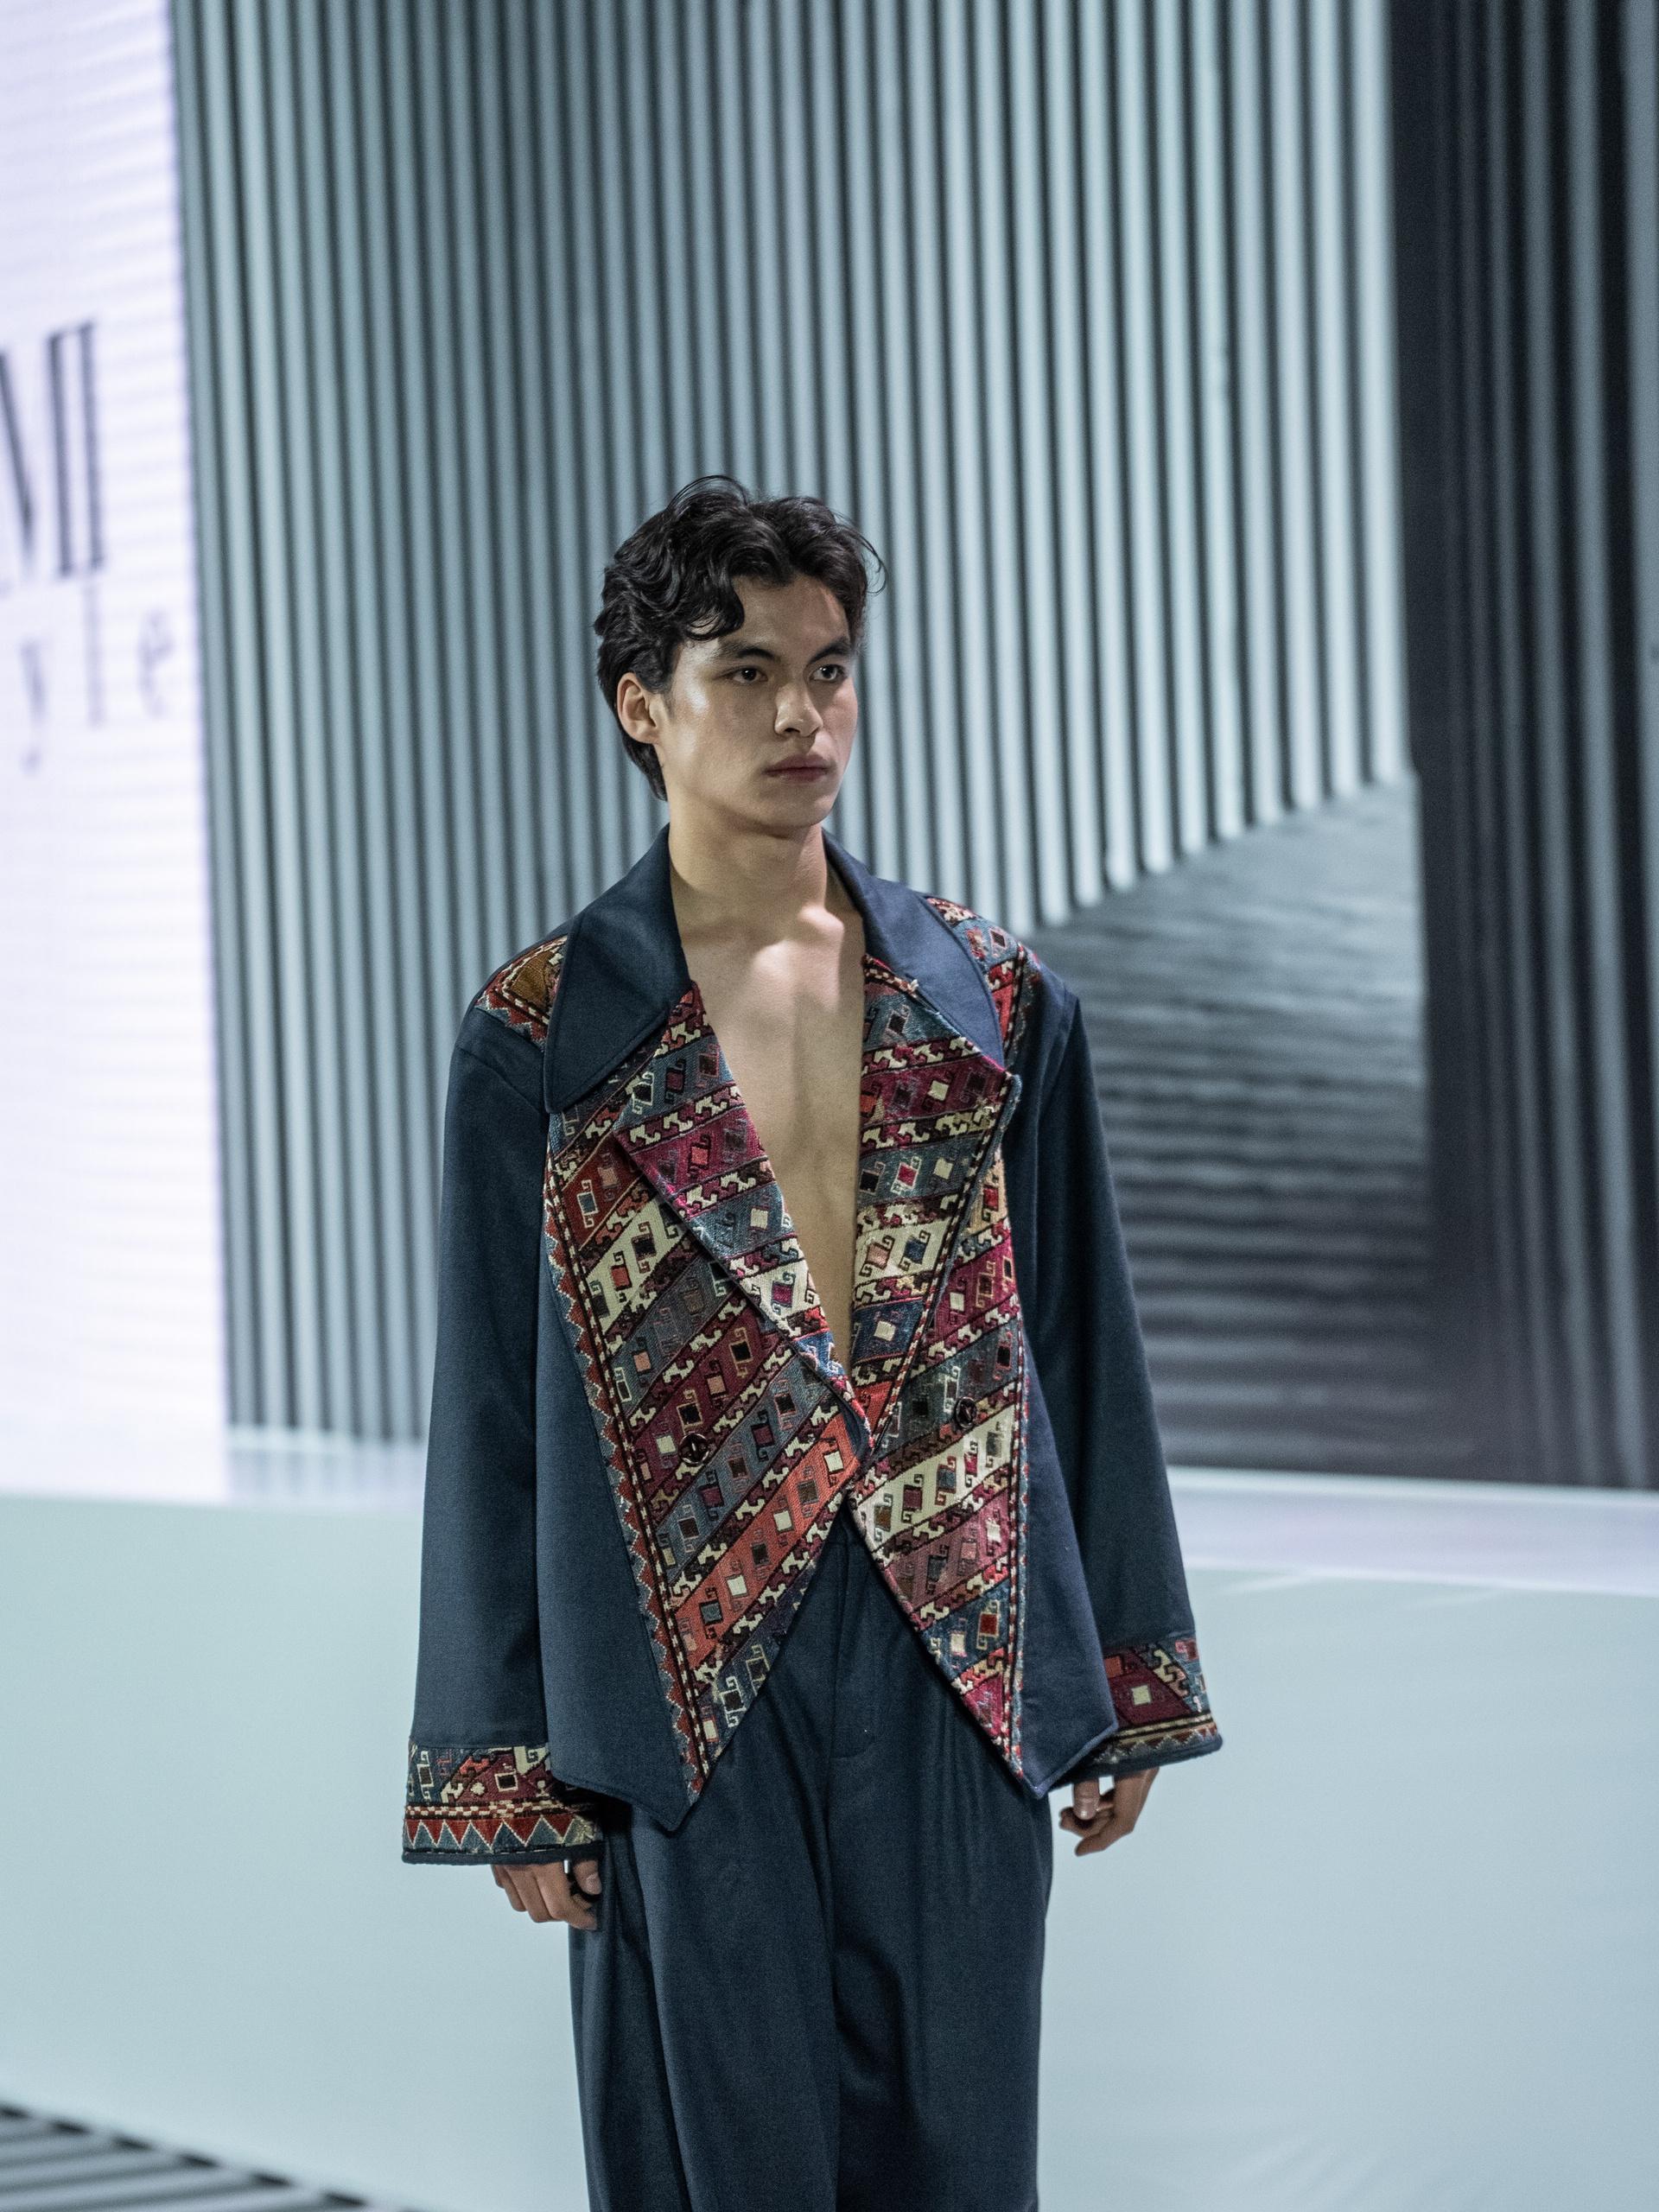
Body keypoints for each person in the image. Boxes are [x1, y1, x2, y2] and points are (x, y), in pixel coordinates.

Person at [403, 477, 1220, 2212]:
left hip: (958, 1646)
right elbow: (490, 1412)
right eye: (750, 671)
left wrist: (1126, 1673)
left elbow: (1084, 1340)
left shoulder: (996, 998)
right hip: (684, 1680)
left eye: (830, 669)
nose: (803, 715)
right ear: (643, 704)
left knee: (960, 2143)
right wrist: (506, 1762)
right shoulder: (541, 1036)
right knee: (725, 2154)